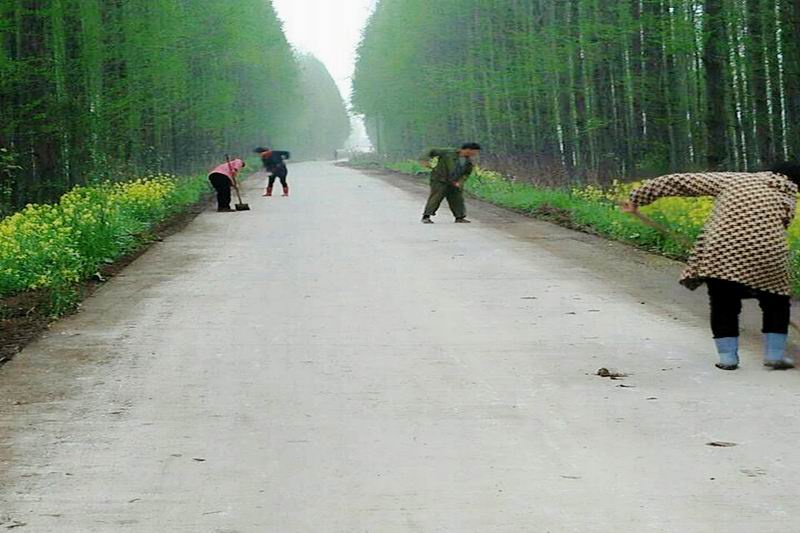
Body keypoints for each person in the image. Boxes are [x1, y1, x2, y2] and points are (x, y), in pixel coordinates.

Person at [623, 162, 800, 371]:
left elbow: (679, 181)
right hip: (769, 253)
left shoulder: (734, 179)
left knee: (723, 302)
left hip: (721, 251)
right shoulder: (788, 194)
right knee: (776, 302)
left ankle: (728, 358)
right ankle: (774, 356)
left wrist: (637, 198)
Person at [420, 143, 482, 224]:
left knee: (457, 198)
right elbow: (430, 150)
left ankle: (459, 217)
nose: (476, 154)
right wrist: (424, 160)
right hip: (439, 179)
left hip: (454, 181)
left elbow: (466, 173)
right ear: (468, 150)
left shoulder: (469, 161)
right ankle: (426, 216)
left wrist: (460, 182)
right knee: (436, 197)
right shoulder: (448, 152)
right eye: (475, 151)